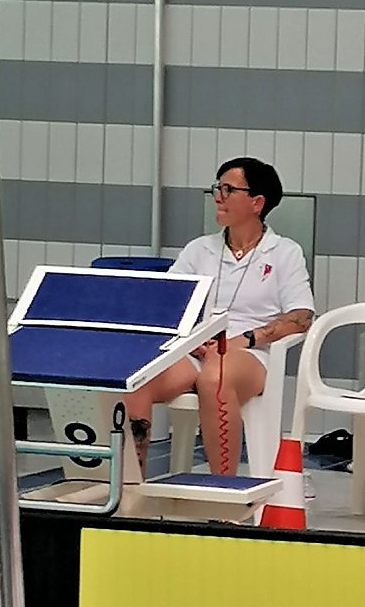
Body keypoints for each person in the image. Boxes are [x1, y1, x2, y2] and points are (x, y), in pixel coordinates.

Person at [126, 157, 314, 476]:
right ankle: (130, 486)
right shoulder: (199, 250)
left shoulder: (284, 252)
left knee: (215, 377)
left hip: (249, 354)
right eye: (218, 188)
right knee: (136, 379)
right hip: (194, 349)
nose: (218, 197)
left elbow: (301, 316)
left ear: (257, 203)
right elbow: (169, 303)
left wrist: (245, 339)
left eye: (228, 189)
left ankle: (223, 488)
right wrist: (189, 339)